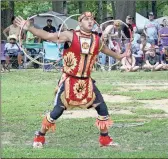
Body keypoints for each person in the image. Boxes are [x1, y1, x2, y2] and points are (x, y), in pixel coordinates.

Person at [15, 11, 128, 148]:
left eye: (92, 18)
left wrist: (119, 56)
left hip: (87, 82)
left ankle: (105, 139)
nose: (90, 21)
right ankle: (40, 135)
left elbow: (104, 49)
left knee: (102, 108)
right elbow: (48, 36)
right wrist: (30, 28)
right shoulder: (70, 35)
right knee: (57, 111)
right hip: (69, 81)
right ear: (79, 22)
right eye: (86, 19)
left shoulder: (96, 39)